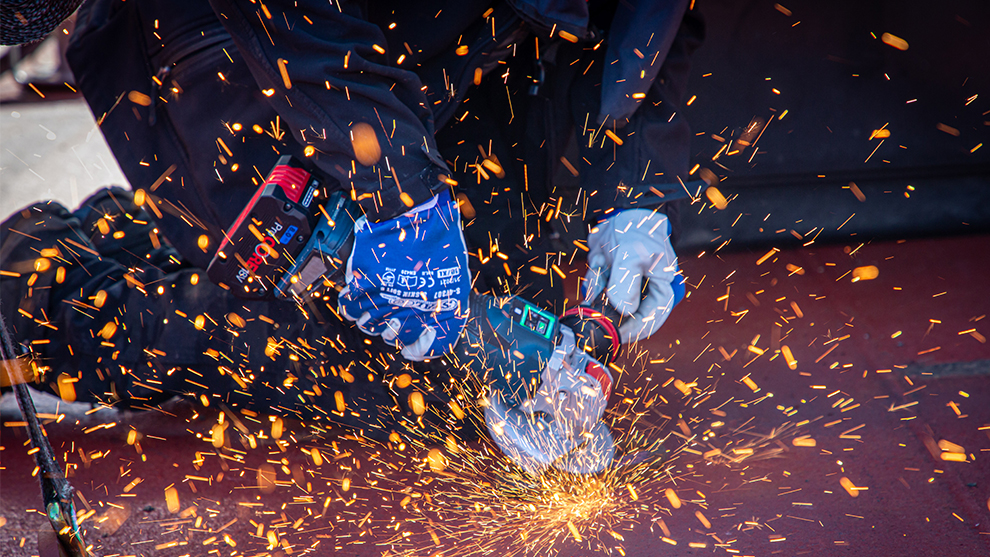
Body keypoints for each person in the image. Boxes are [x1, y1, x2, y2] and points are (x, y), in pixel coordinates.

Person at [1, 0, 703, 438]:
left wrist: (634, 194)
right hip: (250, 46)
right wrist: (399, 194)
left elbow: (659, 22)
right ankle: (34, 296)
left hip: (436, 63)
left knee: (491, 350)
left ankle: (145, 230)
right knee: (388, 382)